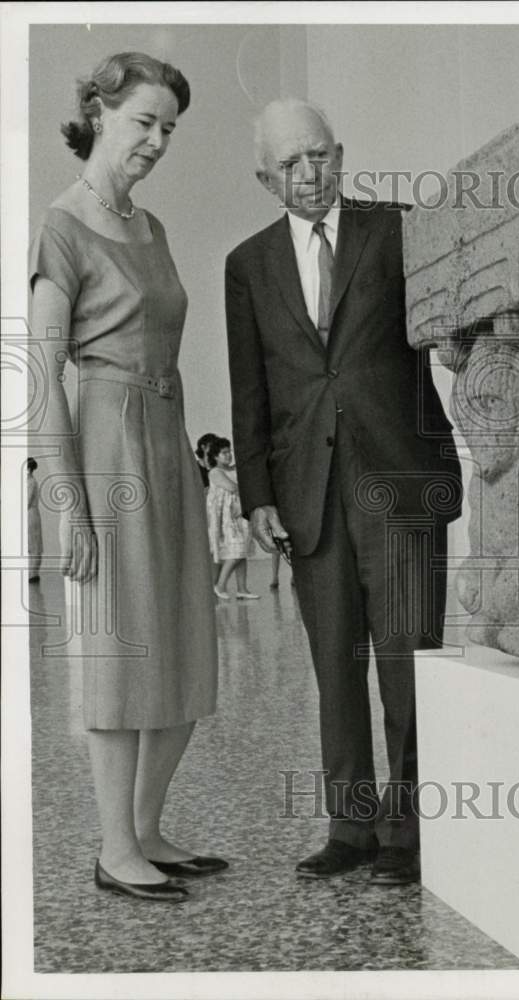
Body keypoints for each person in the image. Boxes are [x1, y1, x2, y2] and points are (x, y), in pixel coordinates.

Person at [225, 98, 461, 885]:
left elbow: (443, 323)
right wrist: (257, 492)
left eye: (319, 155)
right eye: (290, 163)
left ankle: (407, 833)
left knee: (404, 660)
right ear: (267, 177)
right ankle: (350, 829)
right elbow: (250, 388)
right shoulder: (247, 265)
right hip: (308, 491)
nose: (308, 173)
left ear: (341, 153)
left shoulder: (395, 231)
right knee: (335, 666)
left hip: (396, 479)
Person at [29, 52, 225, 904]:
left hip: (168, 437)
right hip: (106, 441)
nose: (156, 141)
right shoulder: (61, 228)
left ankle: (147, 828)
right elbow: (41, 378)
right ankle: (113, 848)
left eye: (169, 130)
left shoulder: (153, 230)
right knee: (118, 649)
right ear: (99, 113)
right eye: (144, 121)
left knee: (184, 639)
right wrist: (65, 504)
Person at [206, 436, 260, 600]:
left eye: (229, 452)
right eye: (224, 453)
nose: (228, 455)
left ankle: (242, 588)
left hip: (240, 515)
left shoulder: (234, 470)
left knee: (242, 552)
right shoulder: (215, 472)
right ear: (215, 456)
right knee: (235, 551)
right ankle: (220, 585)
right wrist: (246, 492)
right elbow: (232, 487)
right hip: (227, 519)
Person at [27, 457, 43, 584]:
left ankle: (33, 573)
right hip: (29, 514)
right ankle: (31, 573)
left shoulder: (31, 482)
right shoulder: (28, 482)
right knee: (31, 543)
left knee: (34, 544)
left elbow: (26, 501)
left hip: (30, 514)